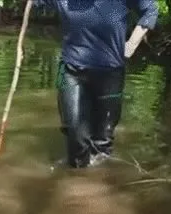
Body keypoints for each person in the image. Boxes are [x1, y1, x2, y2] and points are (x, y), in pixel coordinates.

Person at [32, 0, 159, 169]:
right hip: (69, 70)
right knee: (73, 128)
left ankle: (95, 181)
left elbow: (150, 10)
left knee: (102, 141)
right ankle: (78, 175)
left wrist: (131, 45)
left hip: (111, 73)